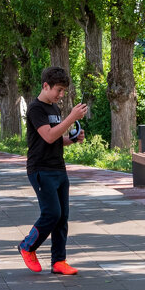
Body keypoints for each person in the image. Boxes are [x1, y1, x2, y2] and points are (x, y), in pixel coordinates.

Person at [17, 66, 88, 275]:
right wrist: (71, 118)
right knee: (52, 213)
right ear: (45, 86)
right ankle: (27, 246)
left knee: (63, 216)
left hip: (58, 168)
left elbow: (55, 139)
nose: (61, 95)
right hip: (40, 169)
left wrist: (72, 140)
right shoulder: (36, 109)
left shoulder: (55, 109)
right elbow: (48, 136)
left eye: (64, 91)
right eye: (58, 90)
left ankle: (59, 261)